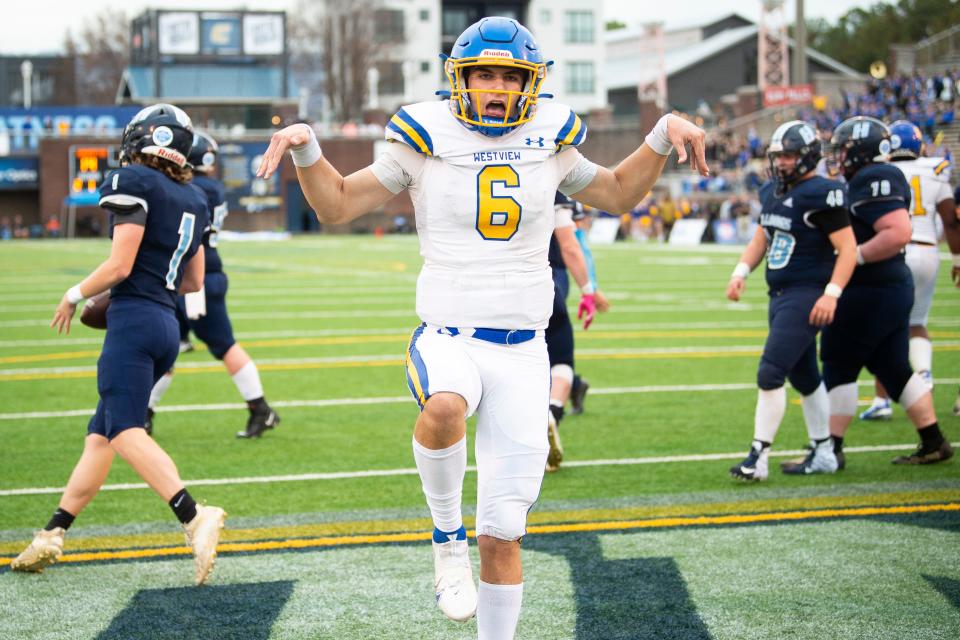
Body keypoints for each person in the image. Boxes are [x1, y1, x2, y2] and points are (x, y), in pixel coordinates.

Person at [255, 16, 707, 639]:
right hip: (450, 335)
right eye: (483, 74)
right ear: (459, 79)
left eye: (509, 75)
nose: (496, 87)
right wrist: (307, 148)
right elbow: (335, 203)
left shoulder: (552, 137)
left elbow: (621, 192)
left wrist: (661, 133)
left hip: (525, 353)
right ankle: (445, 539)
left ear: (531, 83)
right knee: (444, 407)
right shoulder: (422, 136)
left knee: (503, 532)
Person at [10, 104, 227, 584]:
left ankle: (194, 516)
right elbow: (192, 281)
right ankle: (52, 533)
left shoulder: (133, 181)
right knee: (101, 436)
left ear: (144, 141)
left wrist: (74, 295)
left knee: (128, 430)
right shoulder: (193, 197)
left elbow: (120, 264)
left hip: (134, 321)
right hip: (167, 323)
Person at [726, 121, 857, 480]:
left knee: (771, 371)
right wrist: (741, 271)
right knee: (805, 376)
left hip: (807, 294)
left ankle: (758, 456)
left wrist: (831, 294)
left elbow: (847, 249)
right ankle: (825, 451)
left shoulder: (823, 192)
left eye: (789, 155)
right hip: (780, 294)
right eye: (777, 155)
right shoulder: (771, 190)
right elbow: (761, 238)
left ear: (808, 156)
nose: (781, 162)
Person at [821, 116, 953, 468]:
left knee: (837, 364)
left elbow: (896, 232)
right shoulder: (871, 176)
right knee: (894, 368)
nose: (841, 155)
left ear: (863, 151)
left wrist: (855, 256)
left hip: (873, 287)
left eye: (846, 148)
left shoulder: (874, 176)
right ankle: (934, 440)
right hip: (888, 285)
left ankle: (829, 449)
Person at [145, 131, 281, 439]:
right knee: (168, 345)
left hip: (198, 277)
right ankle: (144, 413)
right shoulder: (210, 187)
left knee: (222, 345)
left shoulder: (195, 188)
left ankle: (261, 408)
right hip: (195, 274)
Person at [858, 120, 960, 420]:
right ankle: (924, 373)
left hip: (893, 251)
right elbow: (951, 220)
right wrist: (957, 260)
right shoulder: (935, 169)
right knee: (917, 322)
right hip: (928, 249)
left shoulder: (878, 171)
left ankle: (881, 400)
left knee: (881, 327)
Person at [545, 193, 610, 472]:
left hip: (500, 286)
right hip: (547, 281)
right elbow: (574, 245)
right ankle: (552, 411)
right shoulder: (557, 185)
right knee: (561, 362)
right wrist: (589, 289)